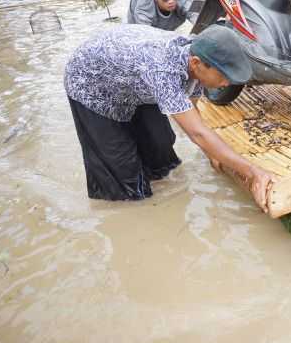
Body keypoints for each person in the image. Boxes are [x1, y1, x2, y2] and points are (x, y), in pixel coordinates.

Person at [64, 23, 274, 209]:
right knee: (124, 178)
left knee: (161, 148)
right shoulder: (163, 70)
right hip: (92, 84)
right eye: (224, 76)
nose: (227, 84)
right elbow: (197, 133)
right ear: (196, 63)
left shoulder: (195, 55)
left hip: (133, 77)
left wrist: (214, 153)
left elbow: (192, 113)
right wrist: (253, 172)